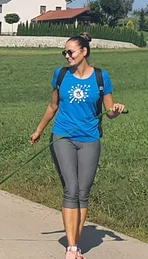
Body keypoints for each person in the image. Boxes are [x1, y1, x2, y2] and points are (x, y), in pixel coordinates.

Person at [30, 33, 125, 259]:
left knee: (83, 192)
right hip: (63, 136)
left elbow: (109, 112)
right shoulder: (61, 75)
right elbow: (53, 106)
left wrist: (116, 110)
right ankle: (72, 248)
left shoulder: (101, 77)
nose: (67, 55)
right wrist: (39, 130)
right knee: (71, 189)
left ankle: (75, 240)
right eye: (65, 52)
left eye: (70, 51)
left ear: (84, 52)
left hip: (90, 139)